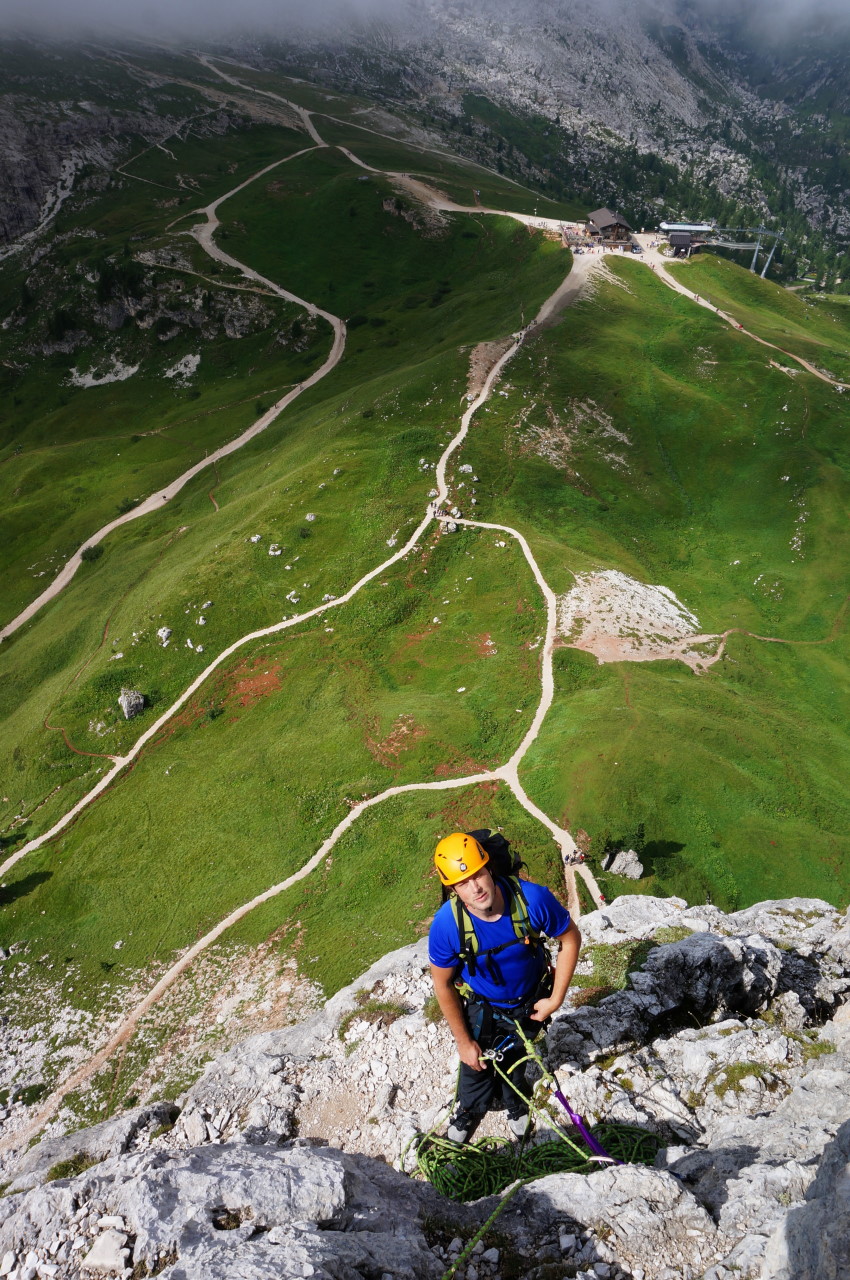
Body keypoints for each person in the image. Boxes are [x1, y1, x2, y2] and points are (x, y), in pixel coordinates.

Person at [428, 832, 581, 1144]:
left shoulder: (532, 900)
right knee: (475, 1062)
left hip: (530, 1002)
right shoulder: (447, 926)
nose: (475, 888)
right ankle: (469, 1108)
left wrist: (555, 999)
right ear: (453, 889)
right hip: (483, 1005)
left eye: (478, 875)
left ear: (490, 868)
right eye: (463, 883)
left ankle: (515, 1102)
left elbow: (570, 939)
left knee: (515, 1058)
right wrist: (463, 1042)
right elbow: (442, 984)